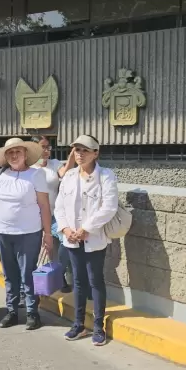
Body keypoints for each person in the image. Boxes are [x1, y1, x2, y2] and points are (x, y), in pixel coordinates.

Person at [55, 135, 118, 347]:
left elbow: (109, 207)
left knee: (95, 281)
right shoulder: (70, 176)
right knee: (78, 282)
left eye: (85, 150)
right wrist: (65, 229)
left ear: (95, 153)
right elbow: (59, 206)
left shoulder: (106, 176)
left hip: (94, 238)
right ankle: (79, 324)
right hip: (72, 238)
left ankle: (98, 326)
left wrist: (86, 229)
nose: (80, 154)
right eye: (76, 150)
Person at [0, 137, 54, 330]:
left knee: (27, 274)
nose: (14, 155)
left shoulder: (36, 175)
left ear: (26, 154)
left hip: (28, 232)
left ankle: (33, 313)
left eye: (18, 151)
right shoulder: (1, 174)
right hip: (2, 232)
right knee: (10, 275)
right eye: (10, 152)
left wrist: (48, 234)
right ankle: (11, 311)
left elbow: (44, 205)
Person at [31, 136, 73, 291]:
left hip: (54, 215)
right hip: (34, 217)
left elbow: (65, 172)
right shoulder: (28, 167)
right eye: (43, 147)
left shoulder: (54, 163)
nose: (46, 151)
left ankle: (59, 273)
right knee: (37, 250)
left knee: (67, 240)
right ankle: (33, 283)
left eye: (48, 147)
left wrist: (72, 155)